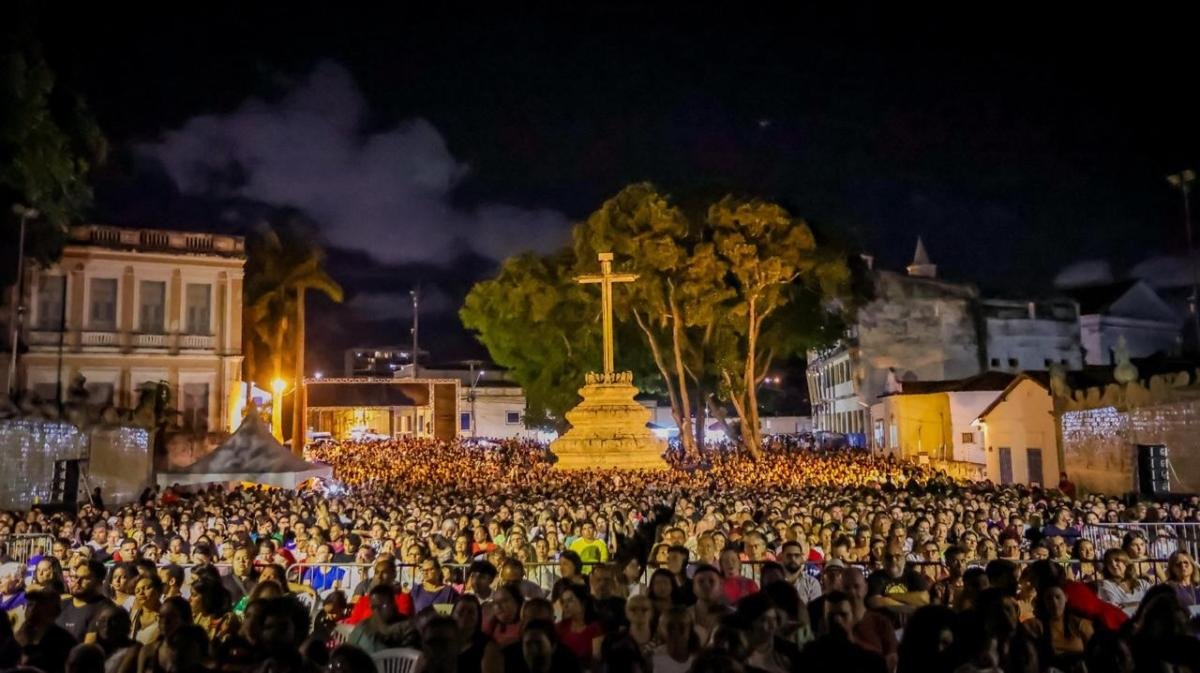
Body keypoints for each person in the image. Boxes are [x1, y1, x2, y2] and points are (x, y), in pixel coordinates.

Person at [15, 589, 78, 673]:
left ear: (56, 611)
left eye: (41, 604)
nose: (33, 609)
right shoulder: (17, 635)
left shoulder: (65, 641)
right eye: (30, 604)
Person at [346, 584, 418, 653]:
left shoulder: (407, 627)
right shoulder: (364, 627)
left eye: (383, 606)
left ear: (393, 604)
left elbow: (410, 656)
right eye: (374, 607)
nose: (377, 611)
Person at [59, 559, 116, 641]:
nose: (77, 582)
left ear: (99, 582)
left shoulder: (106, 610)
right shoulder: (61, 605)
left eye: (85, 578)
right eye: (75, 577)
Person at [554, 584, 602, 669]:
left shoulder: (596, 629)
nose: (565, 606)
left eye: (570, 601)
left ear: (583, 603)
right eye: (563, 602)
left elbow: (596, 662)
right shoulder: (560, 627)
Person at [649, 604, 697, 673]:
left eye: (682, 627)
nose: (676, 632)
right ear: (659, 630)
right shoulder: (652, 658)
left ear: (691, 629)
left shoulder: (700, 658)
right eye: (670, 627)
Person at [482, 582, 523, 647]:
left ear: (517, 601)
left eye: (504, 601)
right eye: (494, 602)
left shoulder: (526, 627)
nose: (498, 606)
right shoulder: (493, 626)